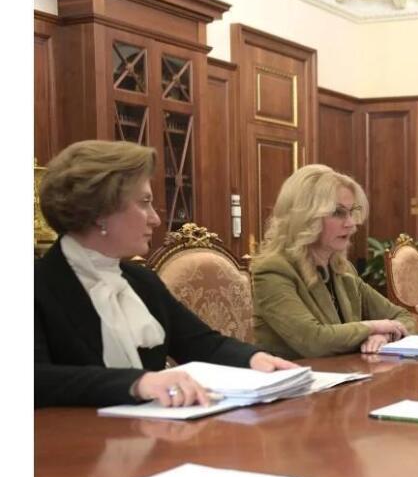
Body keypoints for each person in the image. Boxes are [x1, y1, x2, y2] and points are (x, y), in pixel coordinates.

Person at [35, 140, 296, 409]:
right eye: (144, 203)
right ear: (99, 211)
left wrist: (254, 359)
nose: (155, 219)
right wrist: (137, 383)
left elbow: (202, 344)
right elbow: (37, 379)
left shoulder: (141, 281)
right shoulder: (37, 285)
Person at [251, 165, 415, 359]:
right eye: (338, 213)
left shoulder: (343, 270)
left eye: (351, 212)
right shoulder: (274, 271)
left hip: (348, 373)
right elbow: (314, 341)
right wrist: (373, 327)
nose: (351, 223)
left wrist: (384, 336)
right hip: (296, 376)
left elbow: (403, 317)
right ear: (305, 217)